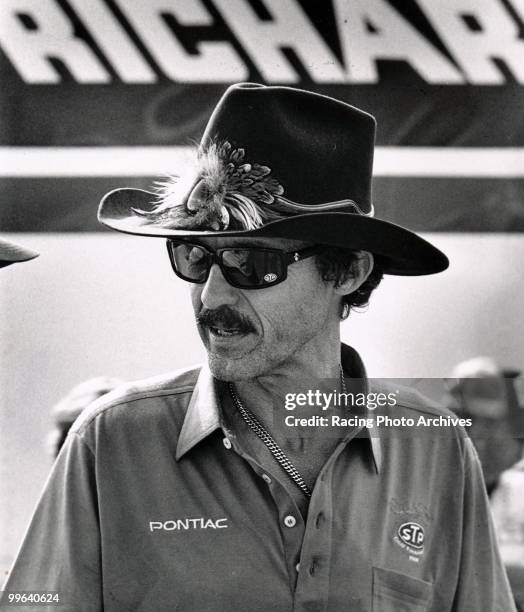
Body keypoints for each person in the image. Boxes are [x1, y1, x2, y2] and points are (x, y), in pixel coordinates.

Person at [2, 84, 515, 611]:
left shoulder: (436, 449)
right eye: (194, 258)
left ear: (348, 270)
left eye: (252, 263)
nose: (212, 295)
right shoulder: (110, 443)